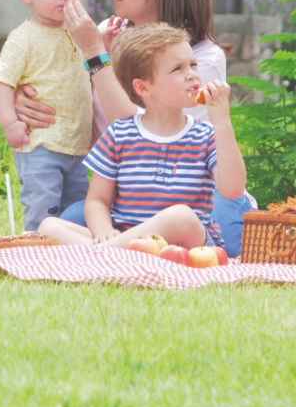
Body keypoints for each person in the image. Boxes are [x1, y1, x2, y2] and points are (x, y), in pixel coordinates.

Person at [15, 0, 258, 255]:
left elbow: (142, 127)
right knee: (62, 218)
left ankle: (107, 251)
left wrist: (95, 57)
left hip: (192, 205)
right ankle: (120, 250)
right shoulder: (104, 35)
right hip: (129, 204)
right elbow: (66, 98)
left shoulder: (200, 58)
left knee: (228, 234)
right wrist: (23, 98)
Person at [38, 24, 247, 249]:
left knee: (181, 217)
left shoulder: (205, 135)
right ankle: (112, 251)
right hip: (128, 241)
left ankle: (103, 255)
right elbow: (97, 200)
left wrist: (222, 122)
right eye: (178, 69)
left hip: (185, 246)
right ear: (143, 88)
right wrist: (104, 232)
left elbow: (233, 190)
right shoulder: (119, 134)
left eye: (193, 65)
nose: (192, 75)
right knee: (49, 226)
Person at [0, 0, 97, 231]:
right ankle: (35, 244)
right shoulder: (23, 38)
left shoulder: (79, 30)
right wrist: (10, 122)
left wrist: (105, 40)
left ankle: (68, 251)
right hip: (40, 143)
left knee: (76, 205)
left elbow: (95, 57)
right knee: (43, 202)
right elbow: (2, 83)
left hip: (76, 145)